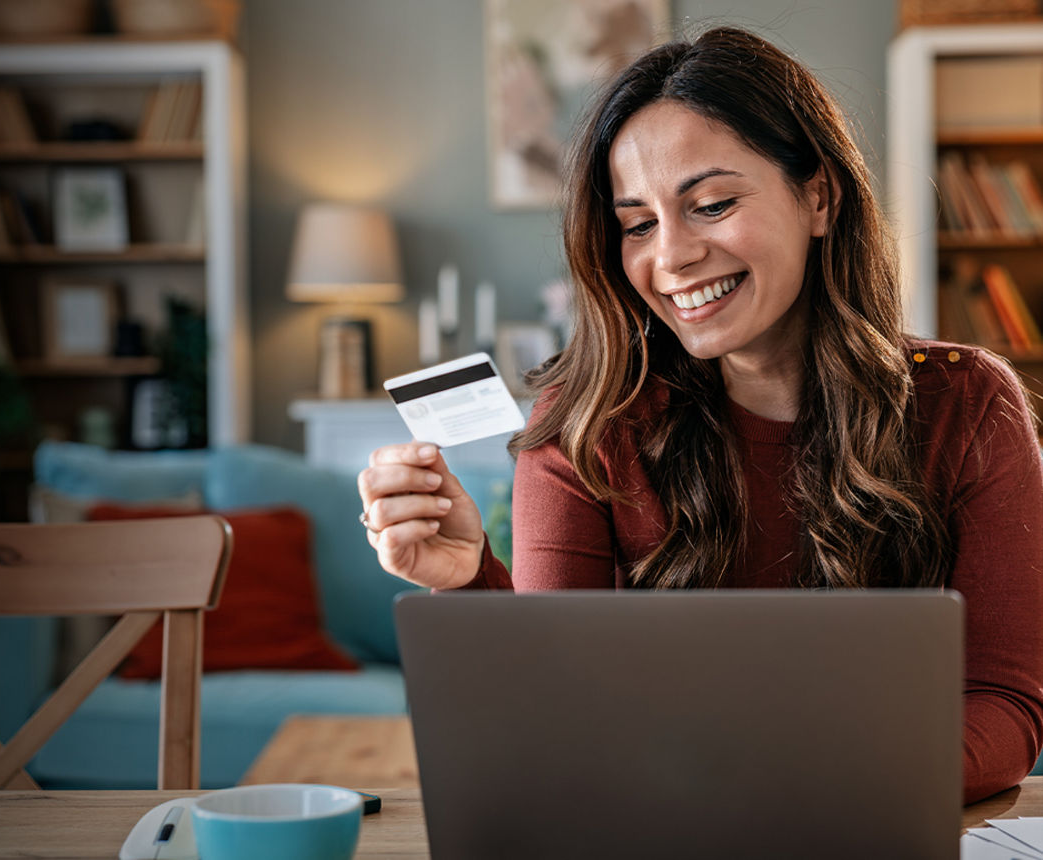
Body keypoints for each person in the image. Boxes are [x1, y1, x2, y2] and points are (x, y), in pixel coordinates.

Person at [356, 26, 1043, 805]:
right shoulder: (588, 423)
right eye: (638, 224)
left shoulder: (968, 404)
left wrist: (807, 786)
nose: (672, 257)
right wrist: (469, 582)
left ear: (819, 196)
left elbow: (1005, 708)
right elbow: (551, 720)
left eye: (711, 204)